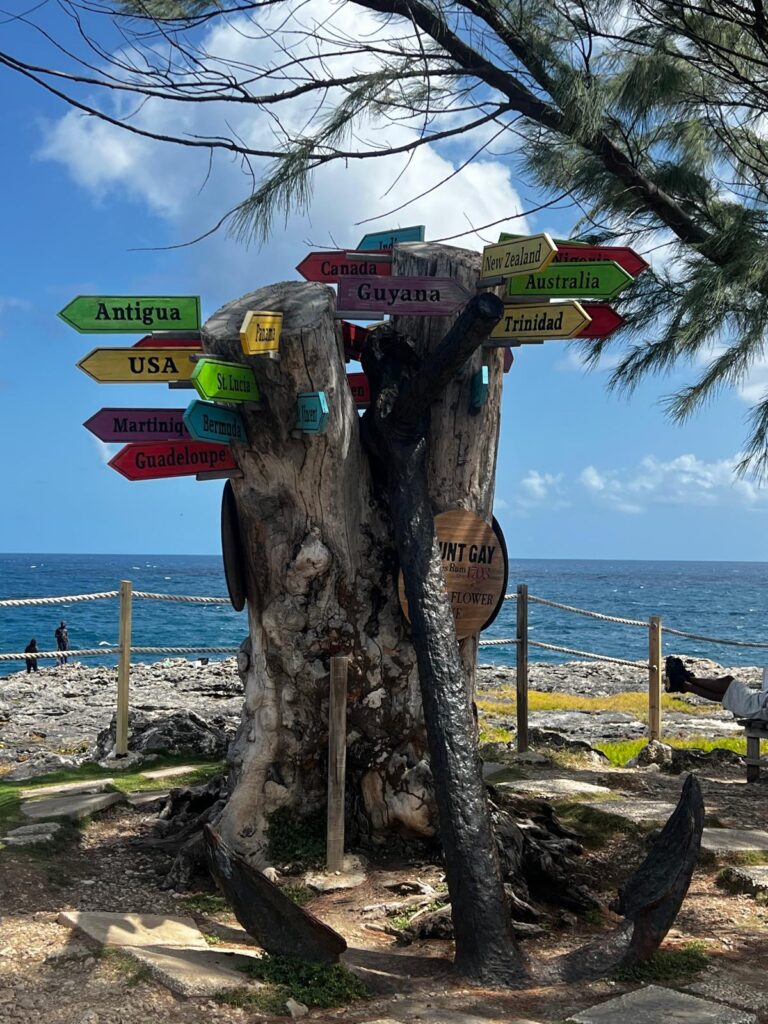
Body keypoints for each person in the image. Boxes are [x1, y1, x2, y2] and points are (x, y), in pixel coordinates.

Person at [665, 655, 768, 721]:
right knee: (724, 694)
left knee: (727, 683)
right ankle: (683, 683)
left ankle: (683, 681)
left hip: (761, 706)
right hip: (762, 702)